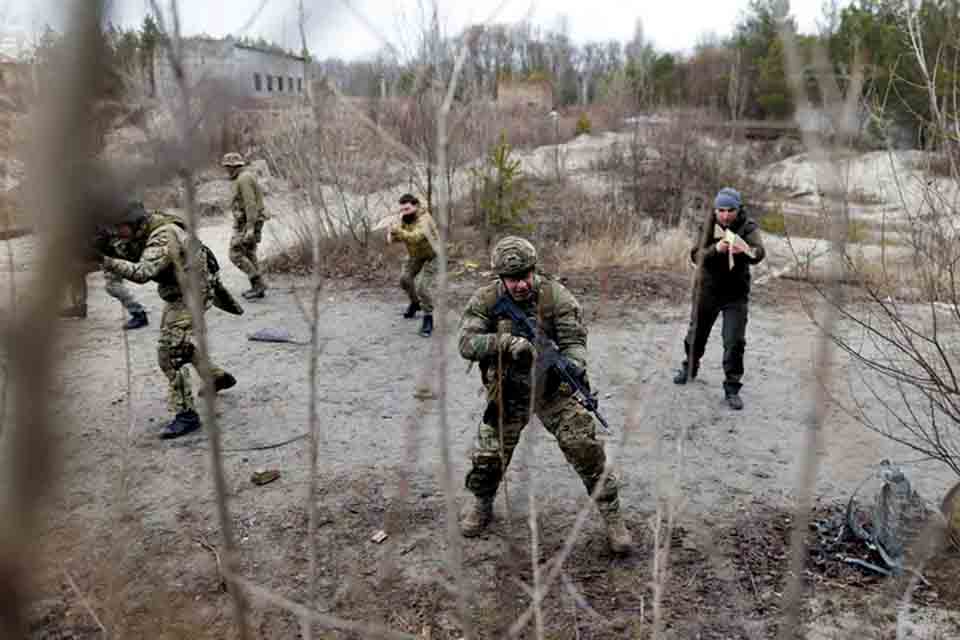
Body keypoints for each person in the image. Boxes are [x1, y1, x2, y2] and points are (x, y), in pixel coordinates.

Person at [456, 236, 633, 554]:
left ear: (534, 270)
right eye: (513, 279)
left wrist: (573, 366)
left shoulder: (556, 297)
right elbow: (467, 343)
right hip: (509, 390)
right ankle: (482, 505)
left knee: (585, 447)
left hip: (554, 389)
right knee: (487, 457)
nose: (521, 284)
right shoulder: (485, 299)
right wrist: (507, 344)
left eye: (525, 275)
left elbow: (575, 341)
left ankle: (613, 516)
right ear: (501, 278)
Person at [101, 202, 240, 439]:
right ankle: (215, 376)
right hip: (180, 291)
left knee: (169, 353)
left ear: (133, 223)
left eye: (119, 227)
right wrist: (104, 246)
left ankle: (187, 416)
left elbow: (143, 272)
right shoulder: (142, 229)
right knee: (178, 342)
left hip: (194, 292)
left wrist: (104, 259)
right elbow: (127, 249)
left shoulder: (163, 234)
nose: (116, 232)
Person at [673, 187, 766, 410]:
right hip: (707, 290)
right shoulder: (707, 226)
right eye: (721, 210)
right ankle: (690, 367)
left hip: (735, 294)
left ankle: (732, 388)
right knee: (696, 333)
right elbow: (696, 256)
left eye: (730, 210)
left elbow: (759, 253)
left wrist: (743, 251)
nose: (724, 215)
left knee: (734, 341)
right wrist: (716, 249)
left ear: (738, 209)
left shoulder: (748, 226)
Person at [60, 228, 149, 330]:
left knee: (113, 286)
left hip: (113, 252)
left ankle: (139, 314)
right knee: (75, 272)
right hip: (99, 250)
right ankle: (79, 307)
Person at [386, 193, 439, 337]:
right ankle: (415, 303)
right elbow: (397, 238)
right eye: (402, 209)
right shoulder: (405, 219)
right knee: (404, 279)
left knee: (422, 287)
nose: (404, 212)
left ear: (415, 206)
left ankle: (428, 318)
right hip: (416, 256)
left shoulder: (425, 219)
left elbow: (415, 237)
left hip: (433, 256)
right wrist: (391, 232)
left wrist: (398, 231)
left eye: (407, 209)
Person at [223, 152, 269, 300]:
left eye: (228, 167)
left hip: (249, 222)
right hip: (249, 221)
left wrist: (250, 227)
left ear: (234, 166)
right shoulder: (244, 177)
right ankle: (258, 286)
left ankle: (258, 284)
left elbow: (250, 204)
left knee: (235, 254)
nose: (226, 170)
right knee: (249, 253)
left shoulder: (243, 179)